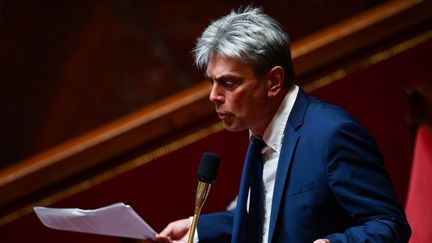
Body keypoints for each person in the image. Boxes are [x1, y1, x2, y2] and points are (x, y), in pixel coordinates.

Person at [154, 6, 411, 243]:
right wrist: (196, 228)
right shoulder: (262, 136)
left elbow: (389, 224)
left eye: (229, 83)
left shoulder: (331, 135)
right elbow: (264, 215)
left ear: (274, 81)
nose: (214, 96)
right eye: (211, 82)